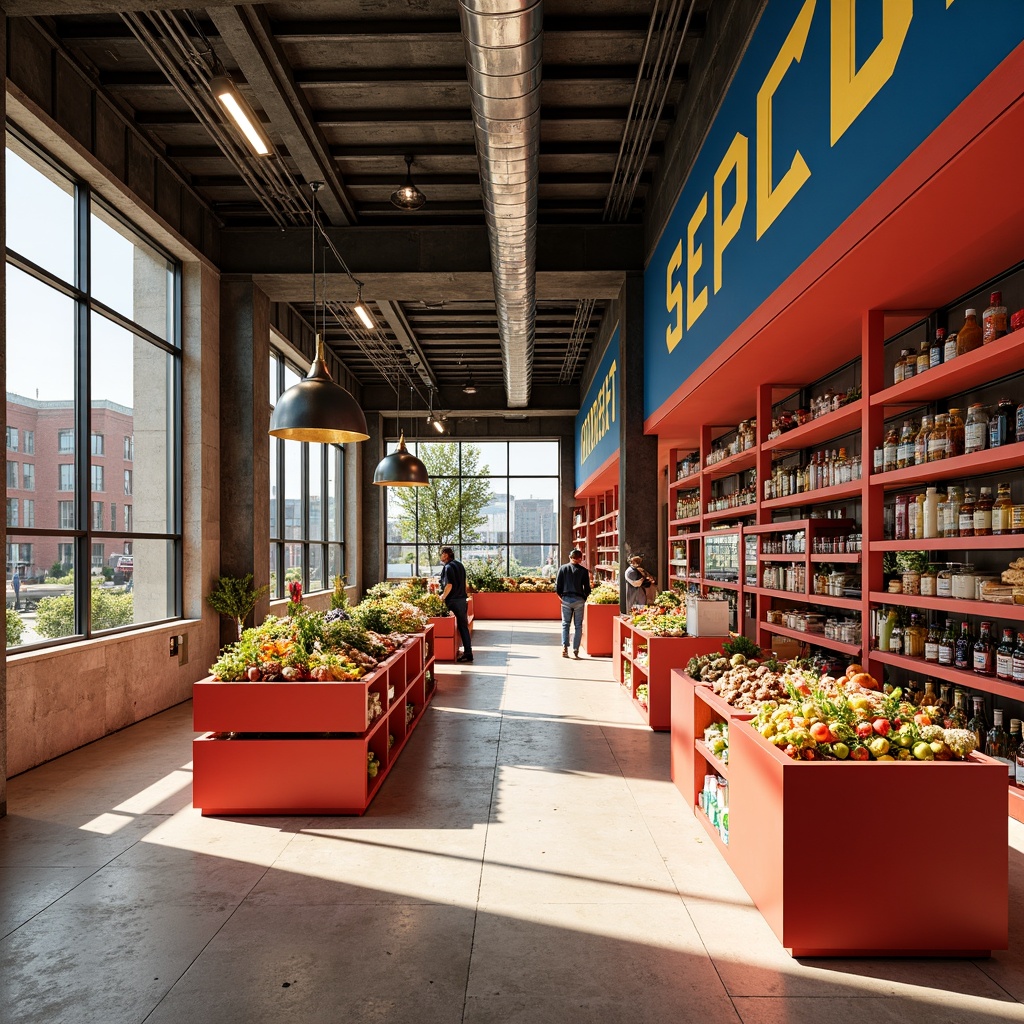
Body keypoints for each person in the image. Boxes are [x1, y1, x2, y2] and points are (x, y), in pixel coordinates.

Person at [439, 546, 473, 663]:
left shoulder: (448, 567)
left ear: (446, 554)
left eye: (441, 554)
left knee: (450, 625)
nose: (440, 556)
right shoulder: (460, 565)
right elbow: (464, 583)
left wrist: (442, 597)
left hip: (453, 601)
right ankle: (468, 652)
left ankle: (449, 650)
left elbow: (449, 585)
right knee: (463, 626)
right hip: (462, 600)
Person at [555, 548, 591, 659]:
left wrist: (561, 597)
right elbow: (587, 588)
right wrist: (584, 597)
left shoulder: (562, 568)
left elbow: (557, 586)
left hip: (566, 599)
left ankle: (564, 648)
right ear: (580, 559)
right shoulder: (584, 571)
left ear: (570, 557)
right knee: (578, 626)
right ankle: (576, 650)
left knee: (565, 624)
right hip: (579, 600)